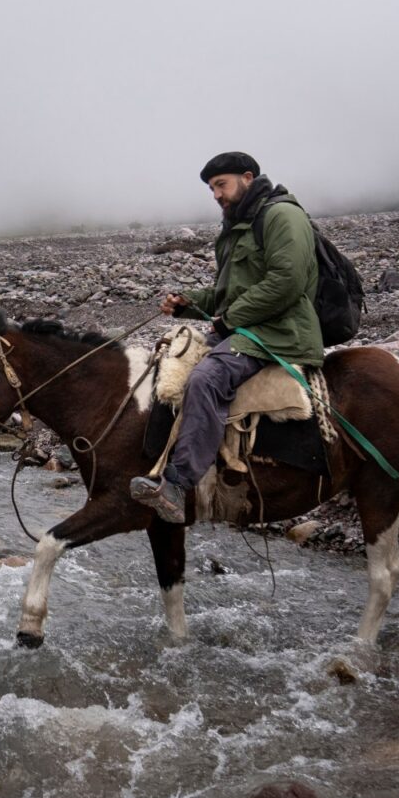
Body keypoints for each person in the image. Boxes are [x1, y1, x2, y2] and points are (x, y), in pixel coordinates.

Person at [130, 152, 323, 522]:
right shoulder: (238, 225)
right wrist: (188, 303)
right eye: (211, 188)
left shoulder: (283, 216)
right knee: (170, 363)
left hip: (280, 332)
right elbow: (228, 294)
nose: (216, 194)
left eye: (222, 184)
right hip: (250, 326)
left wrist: (229, 319)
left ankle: (177, 484)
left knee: (207, 377)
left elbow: (287, 282)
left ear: (248, 177)